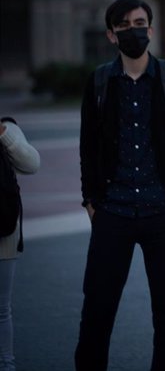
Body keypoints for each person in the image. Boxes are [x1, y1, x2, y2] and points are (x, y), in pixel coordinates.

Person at [75, 0, 165, 371]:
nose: (134, 30)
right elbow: (88, 146)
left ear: (151, 29)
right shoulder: (99, 82)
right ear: (112, 35)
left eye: (140, 22)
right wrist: (92, 201)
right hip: (113, 212)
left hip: (163, 212)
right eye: (124, 25)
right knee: (97, 313)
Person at [0, 117, 40, 371]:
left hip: (3, 236)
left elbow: (32, 163)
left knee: (1, 310)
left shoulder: (7, 129)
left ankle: (6, 364)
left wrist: (2, 132)